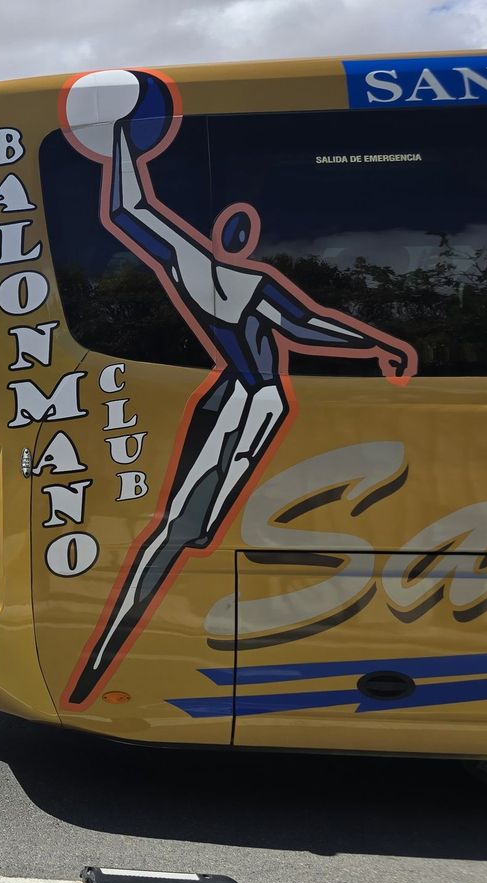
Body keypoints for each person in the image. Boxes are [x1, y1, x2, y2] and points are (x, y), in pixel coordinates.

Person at [60, 70, 414, 709]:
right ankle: (107, 659)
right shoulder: (251, 283)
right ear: (244, 240)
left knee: (179, 532)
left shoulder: (195, 271)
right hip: (251, 401)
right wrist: (376, 344)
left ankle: (103, 656)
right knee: (185, 531)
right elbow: (309, 327)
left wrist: (121, 143)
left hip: (230, 396)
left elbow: (128, 210)